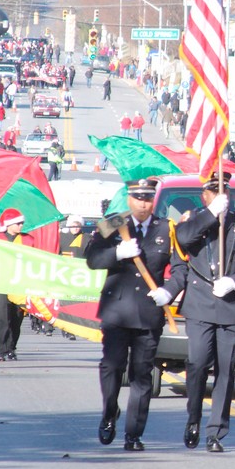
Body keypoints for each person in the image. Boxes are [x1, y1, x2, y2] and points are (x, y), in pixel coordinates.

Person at [85, 178, 187, 452]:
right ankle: (109, 413)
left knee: (142, 375)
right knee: (112, 366)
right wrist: (117, 252)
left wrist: (169, 291)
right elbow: (92, 258)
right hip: (117, 310)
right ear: (129, 199)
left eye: (148, 199)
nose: (143, 204)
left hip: (148, 312)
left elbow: (179, 269)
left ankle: (134, 433)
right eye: (138, 198)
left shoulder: (167, 228)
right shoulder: (113, 223)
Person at [172, 171, 235, 453]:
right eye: (215, 191)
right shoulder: (193, 220)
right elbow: (185, 239)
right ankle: (193, 419)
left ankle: (216, 431)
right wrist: (211, 214)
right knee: (197, 363)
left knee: (226, 370)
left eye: (226, 191)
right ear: (205, 196)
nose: (223, 196)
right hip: (200, 303)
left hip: (231, 306)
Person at [0, 209, 35, 362]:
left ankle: (11, 347)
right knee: (2, 317)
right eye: (17, 223)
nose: (20, 226)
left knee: (16, 317)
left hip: (20, 283)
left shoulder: (28, 240)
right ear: (8, 224)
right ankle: (1, 349)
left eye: (21, 223)